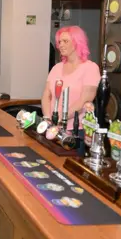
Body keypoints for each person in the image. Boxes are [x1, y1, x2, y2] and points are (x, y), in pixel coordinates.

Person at [41, 26, 100, 155]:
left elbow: (84, 101)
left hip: (75, 130)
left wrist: (60, 119)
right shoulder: (57, 67)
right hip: (52, 128)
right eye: (59, 42)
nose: (60, 45)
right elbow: (46, 95)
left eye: (65, 41)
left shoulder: (90, 68)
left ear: (77, 42)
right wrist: (47, 118)